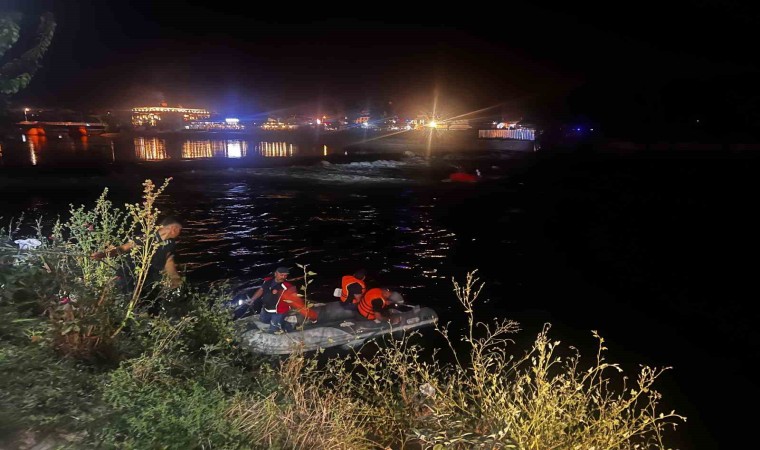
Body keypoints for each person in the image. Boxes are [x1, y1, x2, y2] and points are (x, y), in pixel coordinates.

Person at [91, 216, 183, 292]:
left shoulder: (170, 244)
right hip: (128, 277)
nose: (179, 233)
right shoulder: (146, 237)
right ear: (173, 229)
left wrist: (175, 279)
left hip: (147, 282)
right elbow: (123, 248)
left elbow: (169, 261)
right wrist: (103, 255)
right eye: (180, 230)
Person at [248, 266, 317, 333]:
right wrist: (252, 299)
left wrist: (312, 316)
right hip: (266, 308)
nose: (283, 277)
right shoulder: (267, 281)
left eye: (285, 275)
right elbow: (261, 290)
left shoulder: (287, 287)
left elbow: (297, 302)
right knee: (264, 320)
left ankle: (289, 327)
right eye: (281, 275)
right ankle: (284, 323)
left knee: (273, 331)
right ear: (275, 274)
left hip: (279, 312)